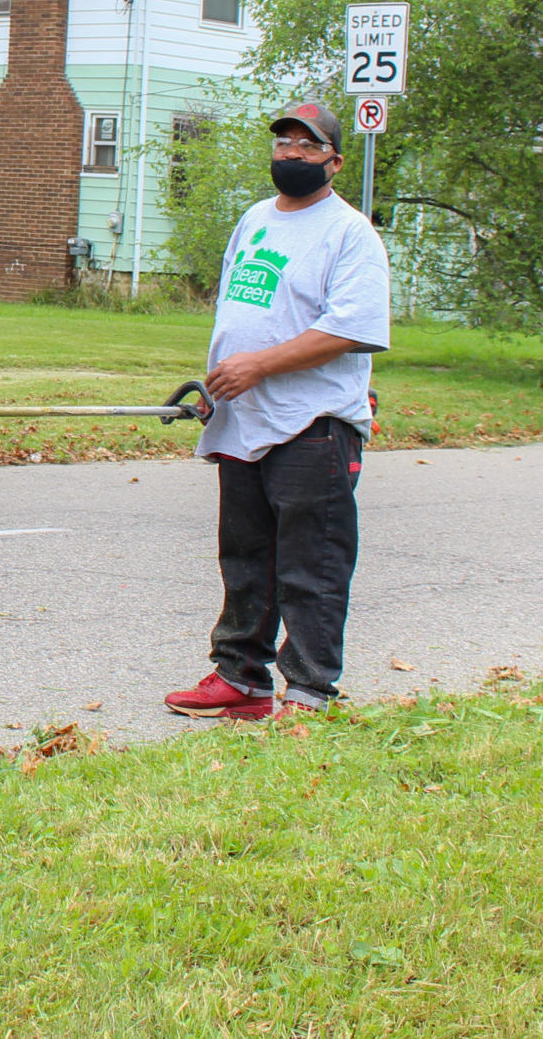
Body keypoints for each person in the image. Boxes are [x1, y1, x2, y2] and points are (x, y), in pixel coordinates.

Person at [164, 101, 390, 721]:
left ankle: (311, 691)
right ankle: (241, 680)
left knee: (311, 563)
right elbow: (244, 312)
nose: (290, 154)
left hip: (312, 423)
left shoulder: (350, 233)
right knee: (245, 558)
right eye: (283, 143)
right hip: (243, 419)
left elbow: (351, 329)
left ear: (335, 162)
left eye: (307, 146)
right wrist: (221, 380)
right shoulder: (256, 219)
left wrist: (258, 365)